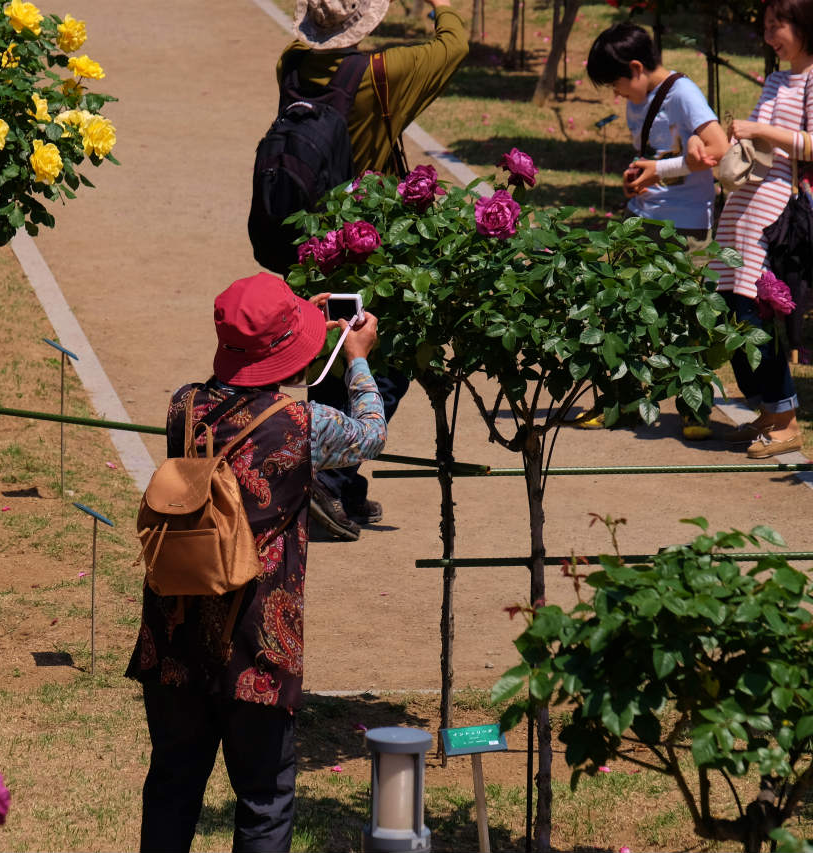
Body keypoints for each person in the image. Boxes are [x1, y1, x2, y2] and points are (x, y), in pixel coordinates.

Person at [127, 272, 386, 852]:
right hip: (258, 641)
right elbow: (371, 433)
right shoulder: (301, 424)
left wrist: (300, 326)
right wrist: (355, 360)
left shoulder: (183, 406)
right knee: (265, 799)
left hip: (175, 629)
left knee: (172, 784)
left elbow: (245, 384)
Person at [280, 0, 467, 539]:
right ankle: (329, 481)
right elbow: (453, 47)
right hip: (372, 241)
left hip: (311, 237)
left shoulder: (289, 65)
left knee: (328, 347)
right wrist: (444, 8)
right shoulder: (380, 75)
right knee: (385, 355)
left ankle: (340, 481)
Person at [705, 0, 813, 458]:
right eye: (765, 27)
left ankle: (786, 418)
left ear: (803, 26)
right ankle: (766, 412)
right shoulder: (779, 78)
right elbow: (759, 141)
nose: (768, 36)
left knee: (759, 316)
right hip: (744, 206)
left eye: (775, 26)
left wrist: (760, 128)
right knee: (730, 308)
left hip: (776, 210)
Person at [585, 21, 729, 440]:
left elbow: (718, 150)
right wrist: (638, 179)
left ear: (636, 67)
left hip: (685, 226)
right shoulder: (639, 96)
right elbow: (652, 157)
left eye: (616, 85)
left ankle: (695, 409)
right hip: (641, 218)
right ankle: (622, 402)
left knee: (690, 318)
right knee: (625, 311)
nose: (617, 95)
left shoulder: (683, 94)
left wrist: (661, 170)